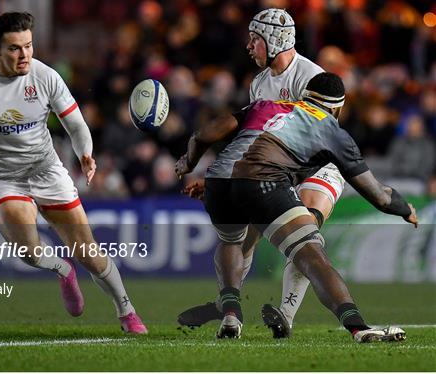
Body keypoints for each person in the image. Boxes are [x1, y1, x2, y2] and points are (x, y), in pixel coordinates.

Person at [0, 12, 147, 334]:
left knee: (89, 253)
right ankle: (61, 269)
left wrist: (85, 153)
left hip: (47, 171)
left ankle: (126, 311)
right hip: (3, 178)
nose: (24, 55)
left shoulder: (45, 76)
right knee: (27, 249)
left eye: (28, 46)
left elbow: (75, 124)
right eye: (15, 48)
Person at [175, 72, 418, 341]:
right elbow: (379, 195)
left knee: (232, 241)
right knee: (311, 253)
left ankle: (231, 313)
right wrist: (405, 209)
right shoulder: (332, 130)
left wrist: (188, 162)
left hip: (218, 181)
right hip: (263, 181)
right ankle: (358, 327)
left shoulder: (265, 105)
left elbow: (204, 134)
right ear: (337, 107)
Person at [178, 8, 346, 339]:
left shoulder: (311, 78)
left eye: (255, 40)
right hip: (271, 170)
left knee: (305, 232)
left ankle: (285, 314)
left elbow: (316, 141)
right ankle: (230, 311)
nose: (249, 47)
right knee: (240, 240)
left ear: (275, 40)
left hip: (318, 166)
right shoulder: (259, 83)